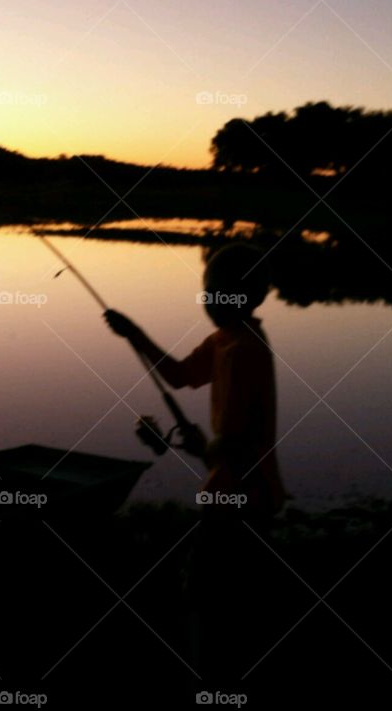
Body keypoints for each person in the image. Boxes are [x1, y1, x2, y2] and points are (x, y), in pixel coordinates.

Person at [104, 242, 287, 684]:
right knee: (217, 596)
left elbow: (236, 446)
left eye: (223, 292)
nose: (212, 301)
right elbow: (181, 375)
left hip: (244, 497)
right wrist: (135, 334)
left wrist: (201, 446)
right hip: (228, 489)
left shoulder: (246, 351)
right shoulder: (226, 339)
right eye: (209, 292)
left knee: (209, 598)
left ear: (250, 297)